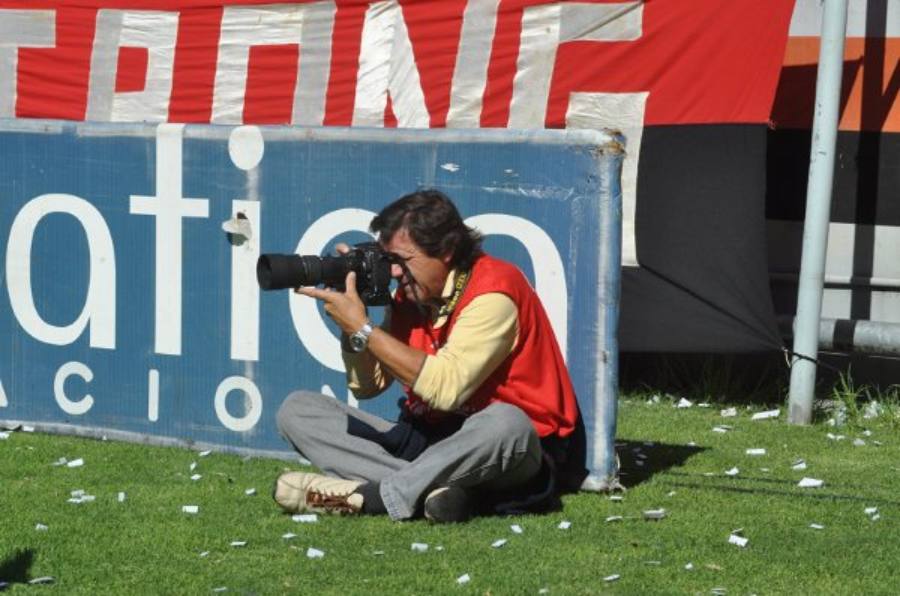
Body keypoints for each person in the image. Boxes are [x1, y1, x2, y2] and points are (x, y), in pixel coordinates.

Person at [274, 189, 585, 523]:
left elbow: (447, 390)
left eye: (401, 261)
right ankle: (440, 491)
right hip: (430, 439)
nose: (393, 273)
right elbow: (368, 386)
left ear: (447, 251)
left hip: (508, 448)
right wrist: (355, 327)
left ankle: (375, 496)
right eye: (388, 261)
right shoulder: (410, 296)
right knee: (297, 411)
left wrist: (364, 328)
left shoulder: (495, 289)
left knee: (507, 422)